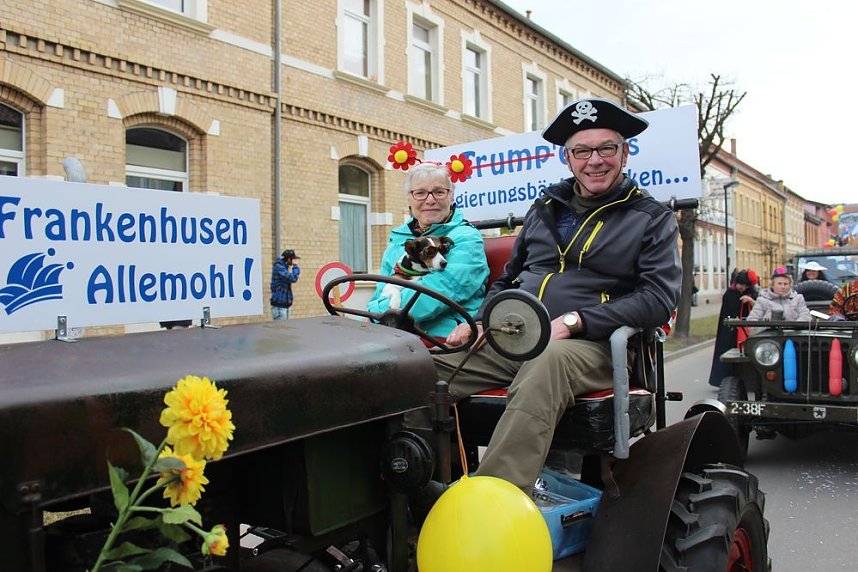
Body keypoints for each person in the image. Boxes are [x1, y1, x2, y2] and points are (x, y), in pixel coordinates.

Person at [436, 97, 681, 490]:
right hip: (515, 337)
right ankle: (414, 488)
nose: (595, 160)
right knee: (421, 370)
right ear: (568, 159)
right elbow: (507, 280)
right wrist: (483, 319)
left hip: (596, 348)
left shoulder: (651, 218)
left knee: (547, 361)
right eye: (582, 151)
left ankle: (492, 501)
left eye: (606, 148)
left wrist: (576, 321)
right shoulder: (545, 208)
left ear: (625, 153)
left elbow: (657, 298)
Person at [367, 161, 488, 338]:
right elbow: (382, 290)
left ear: (451, 196)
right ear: (409, 199)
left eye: (439, 192)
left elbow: (440, 290)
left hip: (444, 337)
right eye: (420, 193)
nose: (430, 200)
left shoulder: (466, 238)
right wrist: (373, 316)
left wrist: (376, 316)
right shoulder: (398, 239)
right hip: (396, 333)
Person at [708, 269, 758, 387]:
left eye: (744, 285)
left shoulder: (752, 294)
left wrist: (750, 301)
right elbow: (726, 312)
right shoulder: (730, 293)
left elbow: (758, 308)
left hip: (746, 330)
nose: (741, 288)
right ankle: (723, 380)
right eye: (740, 285)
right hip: (730, 331)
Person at [746, 267, 811, 326]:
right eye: (779, 284)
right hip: (770, 337)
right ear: (772, 285)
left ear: (790, 285)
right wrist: (768, 324)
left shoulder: (798, 298)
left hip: (794, 335)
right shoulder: (762, 300)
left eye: (785, 284)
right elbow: (752, 321)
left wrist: (794, 326)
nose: (783, 287)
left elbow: (806, 316)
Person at [270, 249, 300, 320]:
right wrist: (295, 266)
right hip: (279, 306)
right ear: (289, 259)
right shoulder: (279, 267)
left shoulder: (283, 267)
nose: (293, 261)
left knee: (286, 329)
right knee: (280, 330)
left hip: (286, 305)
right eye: (292, 259)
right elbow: (292, 278)